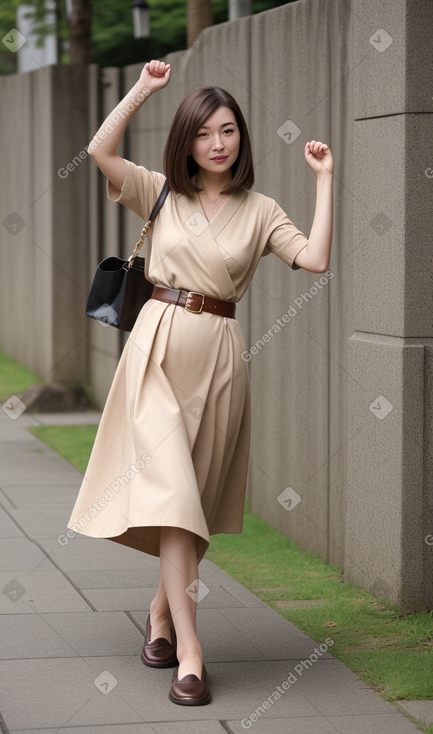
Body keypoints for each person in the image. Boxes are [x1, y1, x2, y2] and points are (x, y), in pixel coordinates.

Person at [67, 59, 333, 706]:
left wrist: (326, 180)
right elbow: (99, 150)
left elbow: (315, 259)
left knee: (192, 509)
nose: (217, 143)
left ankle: (160, 615)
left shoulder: (261, 209)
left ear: (241, 137)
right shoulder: (160, 189)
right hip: (154, 352)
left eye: (228, 131)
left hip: (218, 361)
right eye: (203, 133)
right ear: (185, 140)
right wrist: (142, 90)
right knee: (175, 499)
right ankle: (191, 653)